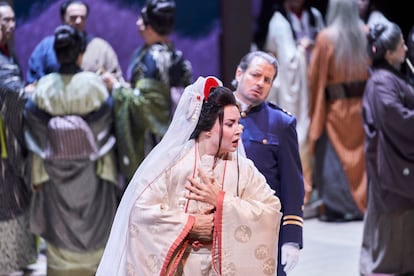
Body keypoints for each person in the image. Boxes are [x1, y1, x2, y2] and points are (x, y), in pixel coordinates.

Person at [96, 76, 282, 275]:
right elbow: (141, 211)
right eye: (230, 124)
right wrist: (190, 224)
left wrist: (222, 202)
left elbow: (271, 208)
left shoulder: (243, 169)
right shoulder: (171, 165)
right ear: (208, 129)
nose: (239, 130)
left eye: (238, 123)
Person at [23, 24, 119, 276]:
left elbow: (32, 119)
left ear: (56, 54)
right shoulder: (94, 85)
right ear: (80, 55)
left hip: (54, 173)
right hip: (92, 170)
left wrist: (56, 139)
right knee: (95, 229)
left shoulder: (44, 87)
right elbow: (108, 119)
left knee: (58, 228)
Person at [103, 0, 192, 183]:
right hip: (175, 137)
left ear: (150, 27)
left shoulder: (152, 59)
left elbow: (147, 106)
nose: (137, 23)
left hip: (152, 141)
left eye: (142, 20)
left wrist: (117, 87)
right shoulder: (176, 56)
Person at [233, 51, 304, 276]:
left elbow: (292, 185)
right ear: (239, 73)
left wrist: (291, 238)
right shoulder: (215, 112)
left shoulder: (281, 123)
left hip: (264, 230)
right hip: (223, 225)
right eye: (255, 75)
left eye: (268, 80)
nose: (260, 83)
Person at [359, 21, 414, 276]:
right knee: (394, 218)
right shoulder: (382, 82)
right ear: (390, 52)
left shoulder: (389, 77)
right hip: (391, 162)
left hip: (392, 159)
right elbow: (396, 118)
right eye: (401, 42)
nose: (405, 46)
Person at [308, 0, 369, 222]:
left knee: (334, 160)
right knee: (361, 159)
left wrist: (314, 108)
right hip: (362, 107)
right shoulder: (366, 33)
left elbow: (314, 77)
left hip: (336, 109)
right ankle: (362, 202)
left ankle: (338, 207)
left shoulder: (326, 38)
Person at [259, 0, 325, 207]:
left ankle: (315, 188)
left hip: (316, 82)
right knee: (299, 132)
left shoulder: (314, 15)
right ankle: (301, 191)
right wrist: (304, 50)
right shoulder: (279, 21)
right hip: (294, 87)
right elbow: (287, 60)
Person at [0, 2, 37, 274]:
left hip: (9, 135)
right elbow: (13, 94)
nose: (9, 26)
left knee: (14, 196)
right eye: (4, 21)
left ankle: (14, 260)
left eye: (12, 20)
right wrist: (31, 91)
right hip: (3, 141)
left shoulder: (7, 54)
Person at [26, 0, 123, 84]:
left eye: (82, 17)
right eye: (73, 17)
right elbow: (34, 82)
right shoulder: (46, 47)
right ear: (63, 18)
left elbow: (117, 82)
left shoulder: (101, 48)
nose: (78, 21)